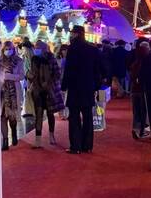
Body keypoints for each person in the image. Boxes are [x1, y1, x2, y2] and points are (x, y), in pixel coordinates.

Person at [60, 25, 107, 154]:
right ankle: (87, 145)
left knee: (74, 117)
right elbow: (98, 69)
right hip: (88, 87)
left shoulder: (72, 48)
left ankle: (75, 146)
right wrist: (96, 85)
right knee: (87, 117)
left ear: (76, 34)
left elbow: (68, 70)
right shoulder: (92, 49)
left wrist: (64, 86)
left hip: (75, 87)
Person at [24, 39, 64, 148]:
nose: (36, 49)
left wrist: (48, 81)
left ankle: (51, 135)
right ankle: (38, 140)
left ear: (43, 48)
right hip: (38, 90)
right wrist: (29, 75)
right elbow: (32, 74)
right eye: (35, 47)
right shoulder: (34, 59)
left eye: (38, 47)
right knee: (39, 115)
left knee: (50, 114)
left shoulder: (51, 59)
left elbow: (57, 74)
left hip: (49, 90)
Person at [0, 41, 23, 150]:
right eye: (6, 49)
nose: (8, 51)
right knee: (2, 116)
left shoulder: (18, 61)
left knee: (12, 117)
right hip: (2, 93)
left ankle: (13, 132)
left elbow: (21, 76)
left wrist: (10, 76)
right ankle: (5, 140)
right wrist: (2, 78)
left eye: (10, 49)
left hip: (13, 93)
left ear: (13, 50)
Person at [129, 41, 151, 139]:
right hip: (143, 90)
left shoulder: (135, 63)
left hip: (134, 89)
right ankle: (141, 131)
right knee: (143, 111)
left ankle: (135, 128)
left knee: (136, 111)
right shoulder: (146, 63)